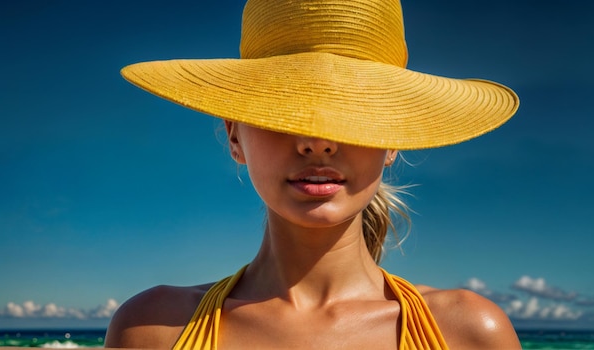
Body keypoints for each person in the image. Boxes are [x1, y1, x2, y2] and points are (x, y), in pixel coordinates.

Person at [105, 0, 521, 349]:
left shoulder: (469, 333)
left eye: (353, 108)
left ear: (393, 139)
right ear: (234, 136)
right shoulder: (150, 330)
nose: (317, 141)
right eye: (282, 108)